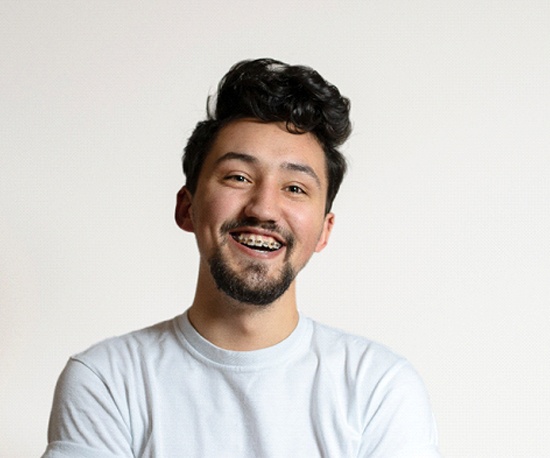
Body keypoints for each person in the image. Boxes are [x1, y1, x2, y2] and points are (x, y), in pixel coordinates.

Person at [43, 58, 440, 457]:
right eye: (239, 177)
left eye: (296, 188)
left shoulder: (379, 387)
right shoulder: (108, 379)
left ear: (323, 231)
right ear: (187, 208)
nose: (264, 209)